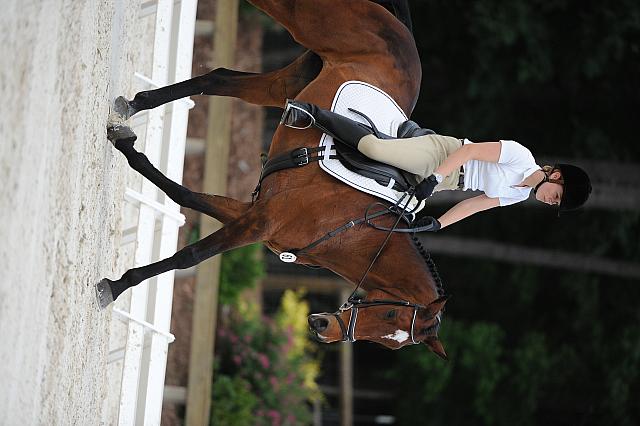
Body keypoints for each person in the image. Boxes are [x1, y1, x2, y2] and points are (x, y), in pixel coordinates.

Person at [280, 100, 592, 230]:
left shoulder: (519, 195)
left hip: (446, 183)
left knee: (393, 217)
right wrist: (434, 177)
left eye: (555, 204)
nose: (552, 202)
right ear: (557, 176)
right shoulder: (520, 155)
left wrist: (439, 223)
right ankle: (310, 113)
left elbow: (475, 205)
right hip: (442, 155)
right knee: (375, 149)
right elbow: (469, 153)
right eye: (557, 196)